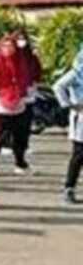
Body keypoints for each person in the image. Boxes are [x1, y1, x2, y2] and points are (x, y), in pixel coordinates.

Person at [0, 32, 40, 177]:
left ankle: (20, 163)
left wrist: (24, 92)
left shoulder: (21, 59)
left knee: (20, 136)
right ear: (0, 47)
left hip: (20, 100)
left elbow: (27, 77)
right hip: (1, 103)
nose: (8, 48)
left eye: (11, 46)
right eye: (5, 46)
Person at [52, 43, 83, 205]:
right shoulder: (77, 72)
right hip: (81, 117)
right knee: (79, 155)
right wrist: (71, 104)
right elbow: (58, 86)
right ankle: (69, 188)